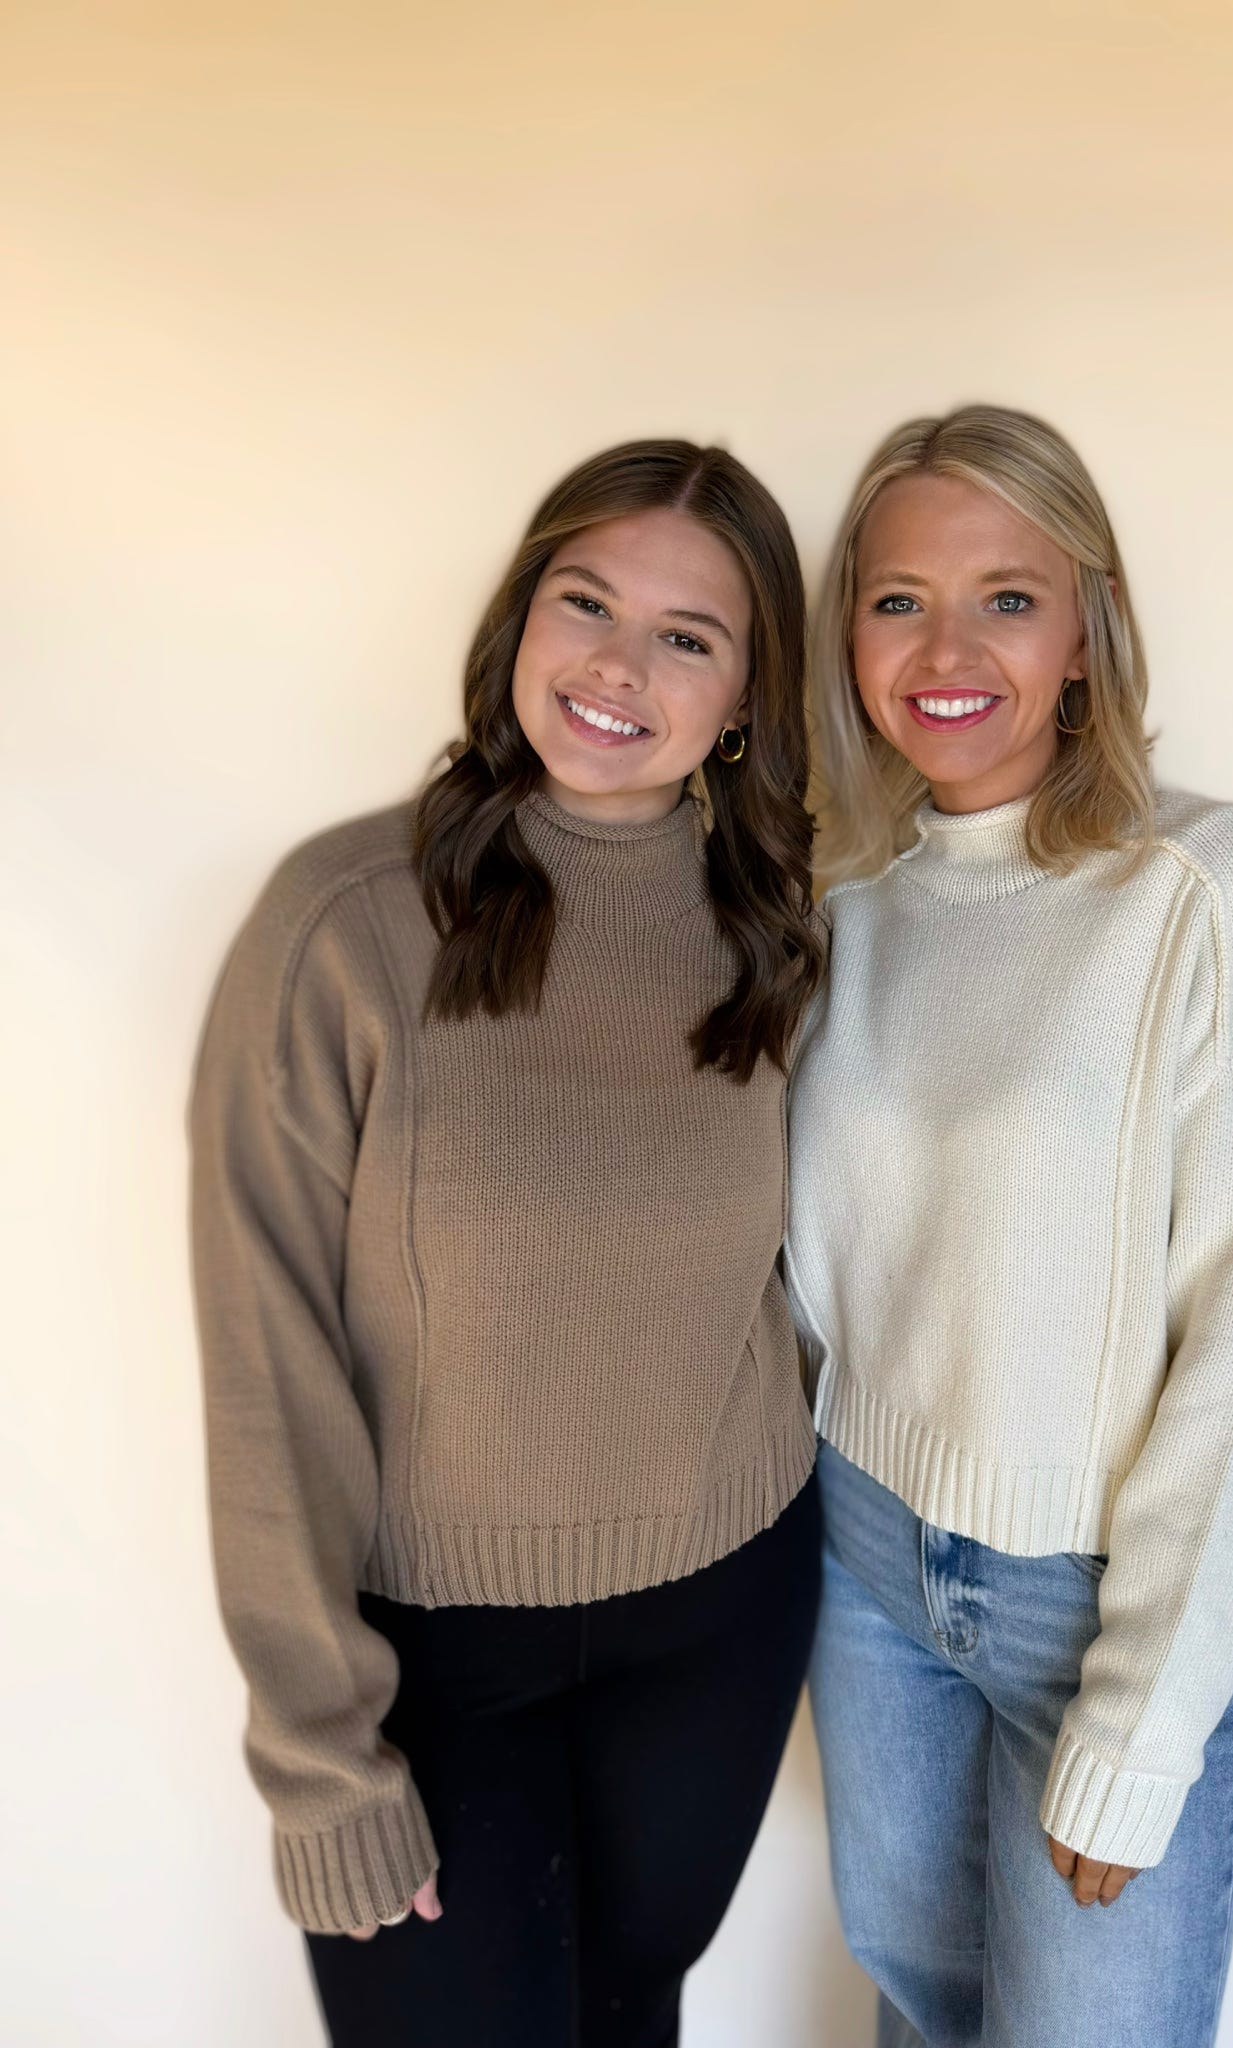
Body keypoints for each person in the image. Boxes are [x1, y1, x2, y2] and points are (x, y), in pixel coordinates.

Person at [188, 437, 826, 2046]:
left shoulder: (781, 930)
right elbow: (266, 1357)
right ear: (517, 623)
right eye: (585, 601)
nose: (618, 666)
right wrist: (321, 1757)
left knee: (631, 2022)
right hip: (433, 1668)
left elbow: (795, 1264)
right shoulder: (345, 925)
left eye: (689, 635)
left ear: (747, 697)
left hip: (719, 1625)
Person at [786, 404, 1233, 2047]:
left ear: (1090, 630)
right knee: (919, 2010)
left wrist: (1148, 1714)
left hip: (1089, 1601)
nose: (946, 648)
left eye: (1006, 598)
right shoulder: (850, 893)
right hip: (865, 1559)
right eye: (897, 600)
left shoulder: (1201, 884)